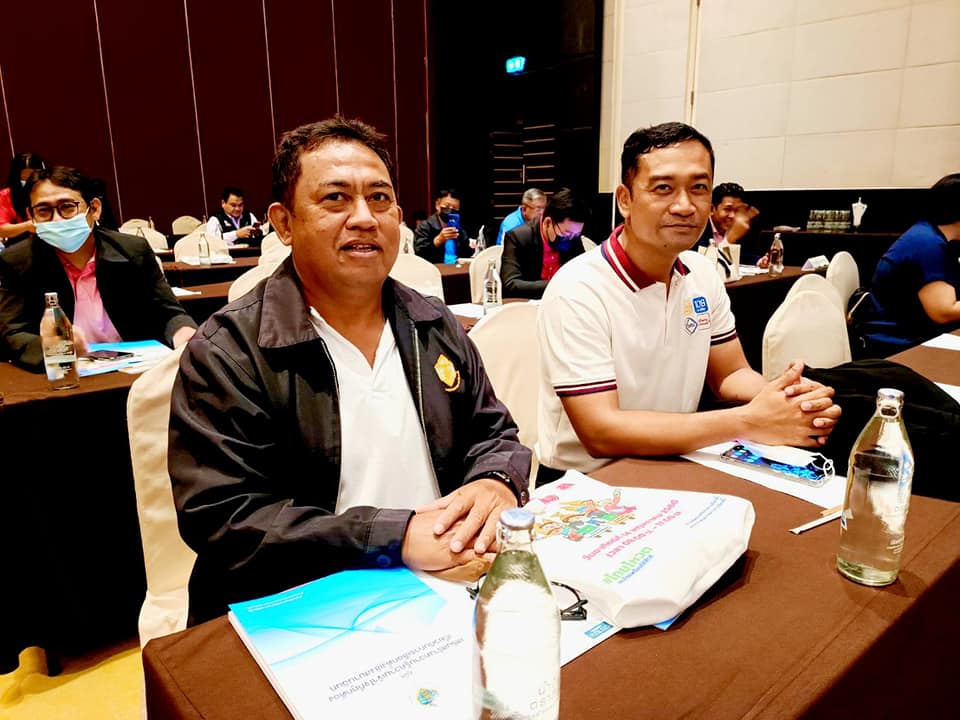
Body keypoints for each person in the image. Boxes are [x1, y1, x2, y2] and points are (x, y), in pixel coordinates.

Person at [168, 117, 531, 622]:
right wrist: (395, 536)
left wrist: (496, 481)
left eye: (379, 199)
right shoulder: (228, 351)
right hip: (303, 603)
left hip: (442, 585)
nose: (364, 217)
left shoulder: (433, 322)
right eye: (336, 198)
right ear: (284, 223)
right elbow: (225, 519)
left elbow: (495, 433)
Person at [536, 122, 841, 477]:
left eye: (698, 188)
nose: (684, 206)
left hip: (675, 457)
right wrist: (749, 421)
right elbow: (601, 431)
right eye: (663, 188)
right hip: (587, 479)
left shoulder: (702, 273)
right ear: (625, 200)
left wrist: (788, 398)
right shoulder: (578, 288)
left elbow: (731, 373)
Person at [0, 166, 197, 371]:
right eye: (43, 211)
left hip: (135, 369)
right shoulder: (18, 261)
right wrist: (54, 347)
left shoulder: (132, 251)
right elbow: (11, 333)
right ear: (30, 215)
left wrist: (183, 333)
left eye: (67, 207)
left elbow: (168, 313)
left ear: (94, 209)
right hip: (64, 375)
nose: (56, 219)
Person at [869, 173, 960, 346]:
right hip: (898, 343)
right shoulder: (928, 244)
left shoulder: (928, 233)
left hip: (909, 334)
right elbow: (943, 312)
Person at [501, 188, 587, 299]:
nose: (570, 239)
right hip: (528, 304)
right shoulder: (518, 237)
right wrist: (556, 285)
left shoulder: (573, 238)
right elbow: (510, 284)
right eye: (566, 233)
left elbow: (583, 273)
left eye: (576, 235)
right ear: (548, 223)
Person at [694, 181, 766, 267]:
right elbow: (706, 261)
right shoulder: (697, 228)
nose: (733, 215)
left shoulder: (741, 226)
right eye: (728, 209)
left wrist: (760, 261)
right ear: (711, 209)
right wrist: (729, 239)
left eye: (737, 210)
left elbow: (742, 255)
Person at [0, 152, 47, 247]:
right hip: (20, 244)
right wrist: (27, 226)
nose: (28, 182)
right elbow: (2, 230)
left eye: (32, 177)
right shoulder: (5, 195)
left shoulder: (51, 191)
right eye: (24, 178)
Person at [413, 188, 471, 263]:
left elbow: (467, 252)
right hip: (433, 267)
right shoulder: (424, 226)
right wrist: (438, 240)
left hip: (455, 266)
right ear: (437, 205)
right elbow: (419, 254)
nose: (450, 210)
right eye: (447, 206)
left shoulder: (459, 228)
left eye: (454, 208)